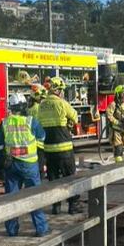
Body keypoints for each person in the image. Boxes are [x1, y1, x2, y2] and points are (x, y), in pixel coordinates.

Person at [0, 93, 49, 237]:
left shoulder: (5, 123)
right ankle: (41, 229)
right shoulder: (31, 122)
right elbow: (42, 139)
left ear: (11, 107)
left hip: (11, 165)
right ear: (24, 106)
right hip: (30, 165)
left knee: (11, 199)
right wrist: (42, 162)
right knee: (34, 198)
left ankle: (12, 230)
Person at [38, 76, 82, 214]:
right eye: (62, 90)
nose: (63, 92)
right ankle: (73, 206)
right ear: (57, 90)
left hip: (49, 150)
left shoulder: (42, 105)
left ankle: (56, 206)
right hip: (64, 149)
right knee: (70, 178)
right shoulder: (62, 103)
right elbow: (75, 117)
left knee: (53, 179)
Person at [106, 85, 124, 163]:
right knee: (118, 149)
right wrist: (118, 123)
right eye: (122, 93)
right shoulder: (113, 104)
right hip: (117, 131)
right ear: (117, 94)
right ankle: (119, 167)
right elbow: (109, 115)